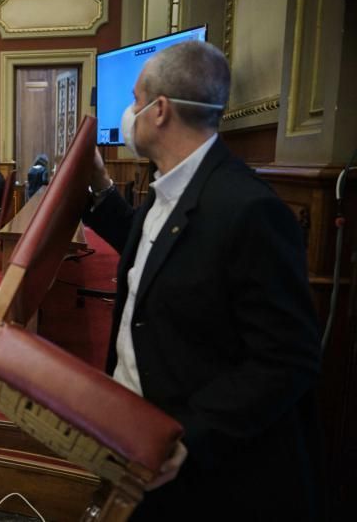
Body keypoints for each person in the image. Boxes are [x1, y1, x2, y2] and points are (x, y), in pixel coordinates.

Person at [82, 40, 321, 521]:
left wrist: (190, 437)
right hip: (141, 432)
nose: (129, 113)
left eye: (134, 100)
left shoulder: (251, 208)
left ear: (160, 110)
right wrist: (104, 189)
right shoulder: (170, 182)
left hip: (203, 471)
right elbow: (158, 253)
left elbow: (288, 357)